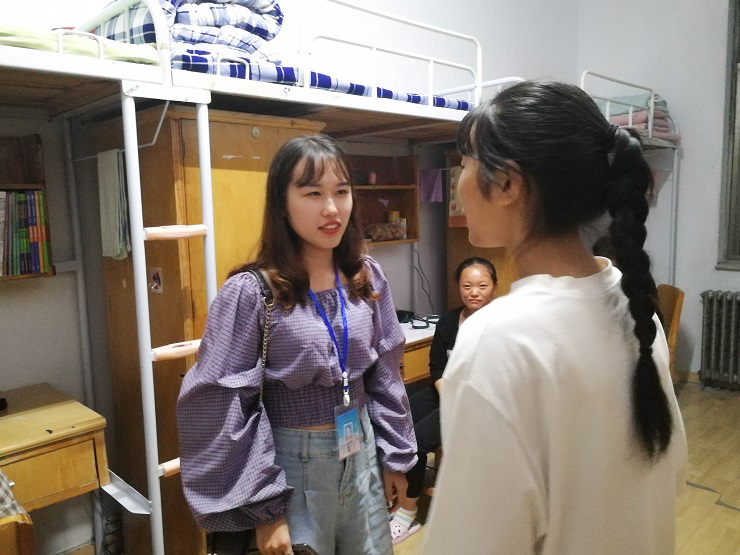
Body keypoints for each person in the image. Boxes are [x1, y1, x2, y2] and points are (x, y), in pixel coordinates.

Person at [422, 80, 688, 554]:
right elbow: (669, 472)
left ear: (508, 184)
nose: (460, 181)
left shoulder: (499, 339)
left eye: (466, 162)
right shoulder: (634, 308)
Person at [177, 135, 417, 555]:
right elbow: (223, 406)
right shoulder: (251, 292)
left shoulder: (366, 277)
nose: (332, 208)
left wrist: (395, 456)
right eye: (313, 193)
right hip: (289, 468)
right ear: (282, 204)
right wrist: (265, 511)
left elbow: (385, 375)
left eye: (341, 191)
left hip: (361, 452)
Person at [389, 257, 498, 543]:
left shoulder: (502, 325)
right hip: (446, 390)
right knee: (398, 423)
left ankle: (407, 514)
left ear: (495, 287)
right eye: (467, 286)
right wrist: (447, 393)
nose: (474, 292)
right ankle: (395, 496)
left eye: (482, 286)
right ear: (458, 287)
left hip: (478, 403)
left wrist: (458, 401)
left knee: (415, 443)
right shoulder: (449, 321)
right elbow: (437, 366)